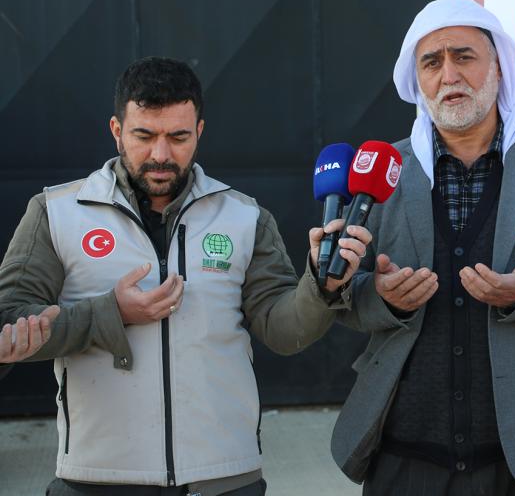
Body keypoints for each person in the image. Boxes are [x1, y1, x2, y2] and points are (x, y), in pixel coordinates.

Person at [0, 56, 370, 495]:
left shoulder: (244, 216)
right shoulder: (56, 212)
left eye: (178, 137)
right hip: (99, 476)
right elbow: (10, 321)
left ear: (199, 131)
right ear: (117, 130)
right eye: (144, 136)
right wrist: (111, 313)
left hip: (224, 476)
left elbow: (284, 331)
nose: (161, 155)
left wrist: (322, 285)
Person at [330, 0, 515, 495]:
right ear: (418, 81)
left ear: (499, 68)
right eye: (432, 62)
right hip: (405, 454)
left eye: (464, 56)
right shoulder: (383, 172)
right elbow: (341, 295)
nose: (449, 75)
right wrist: (383, 299)